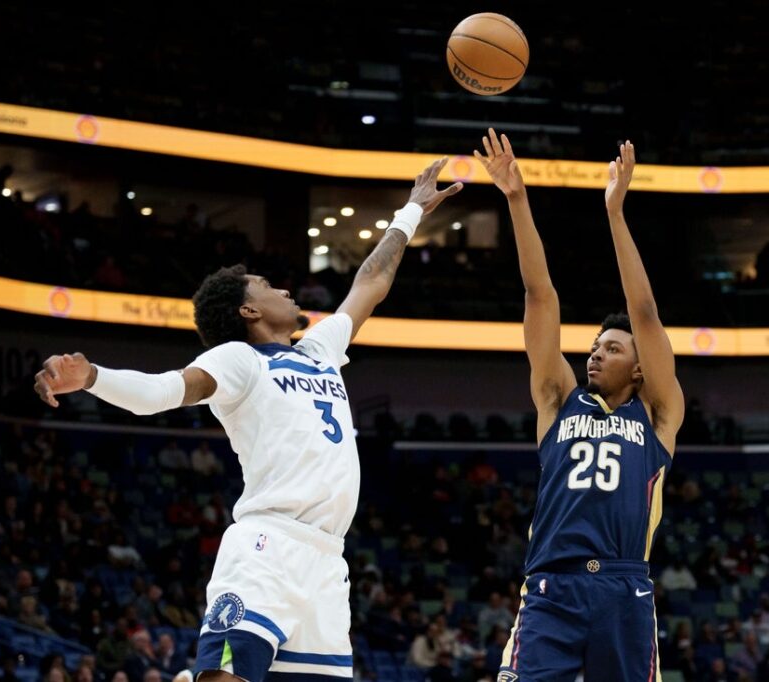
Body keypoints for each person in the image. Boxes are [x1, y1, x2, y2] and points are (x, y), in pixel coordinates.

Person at [34, 158, 461, 682]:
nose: (283, 289)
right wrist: (94, 375)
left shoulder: (320, 350)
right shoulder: (238, 360)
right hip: (268, 549)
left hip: (327, 563)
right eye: (265, 285)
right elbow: (162, 391)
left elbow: (370, 281)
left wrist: (410, 212)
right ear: (247, 313)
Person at [476, 130, 684, 681]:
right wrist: (517, 199)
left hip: (624, 587)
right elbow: (539, 295)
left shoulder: (658, 414)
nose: (595, 353)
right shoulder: (558, 400)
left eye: (611, 349)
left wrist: (615, 214)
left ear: (640, 369)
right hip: (551, 586)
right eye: (594, 346)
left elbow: (644, 312)